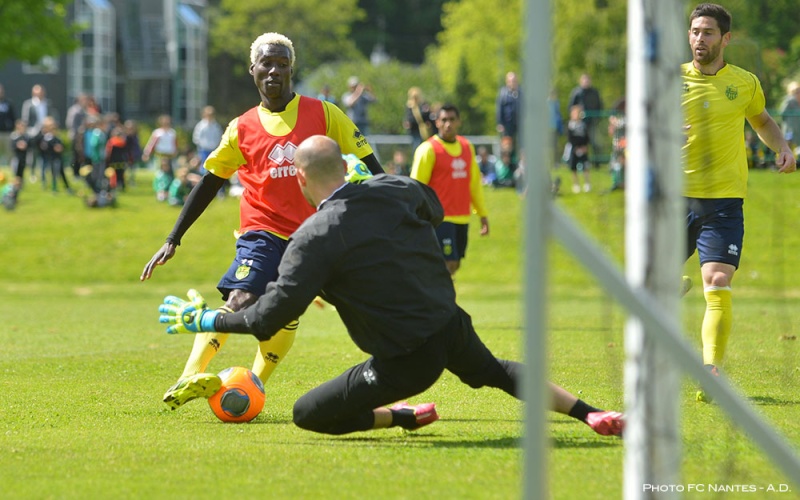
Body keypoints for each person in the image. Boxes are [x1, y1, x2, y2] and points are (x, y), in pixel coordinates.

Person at [157, 135, 625, 437]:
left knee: (308, 414)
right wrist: (378, 179)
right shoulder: (396, 188)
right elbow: (435, 208)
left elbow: (267, 317)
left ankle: (399, 415)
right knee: (497, 372)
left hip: (406, 362)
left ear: (301, 178)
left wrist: (204, 318)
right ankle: (591, 414)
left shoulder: (312, 236)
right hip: (449, 324)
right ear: (345, 164)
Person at [139, 32, 385, 411]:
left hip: (314, 234)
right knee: (241, 298)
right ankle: (189, 375)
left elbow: (369, 164)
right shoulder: (241, 127)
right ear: (252, 70)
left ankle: (253, 384)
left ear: (292, 70)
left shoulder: (325, 114)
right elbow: (210, 181)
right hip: (262, 231)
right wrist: (174, 238)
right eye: (266, 63)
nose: (274, 71)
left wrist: (393, 206)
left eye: (282, 64)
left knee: (287, 313)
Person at [682, 3, 796, 402]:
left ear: (725, 39)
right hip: (674, 200)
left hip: (725, 202)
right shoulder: (668, 81)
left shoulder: (744, 83)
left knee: (717, 281)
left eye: (708, 32)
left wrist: (782, 147)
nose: (700, 39)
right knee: (646, 283)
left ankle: (710, 369)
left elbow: (761, 120)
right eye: (695, 31)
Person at [410, 104, 489, 276]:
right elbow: (415, 187)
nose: (448, 124)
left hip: (462, 217)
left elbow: (474, 183)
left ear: (459, 122)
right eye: (444, 120)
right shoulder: (428, 149)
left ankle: (436, 299)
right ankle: (442, 302)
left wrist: (482, 213)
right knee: (447, 263)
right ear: (437, 122)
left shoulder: (467, 147)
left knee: (455, 264)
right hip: (439, 218)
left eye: (452, 120)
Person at [568, 73, 604, 169]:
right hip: (579, 124)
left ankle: (597, 163)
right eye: (584, 80)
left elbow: (599, 106)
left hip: (592, 122)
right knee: (576, 143)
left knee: (595, 142)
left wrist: (597, 117)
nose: (586, 82)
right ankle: (573, 163)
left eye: (587, 80)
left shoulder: (594, 92)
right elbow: (571, 106)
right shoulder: (576, 92)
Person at [37, 117, 71, 193]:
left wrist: (60, 148)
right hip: (52, 158)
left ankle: (67, 187)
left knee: (61, 173)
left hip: (58, 158)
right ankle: (54, 188)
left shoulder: (58, 138)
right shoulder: (47, 138)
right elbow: (44, 147)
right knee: (53, 174)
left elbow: (62, 147)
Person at [495, 72, 522, 164]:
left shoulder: (521, 93)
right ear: (507, 82)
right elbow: (499, 109)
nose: (513, 83)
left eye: (514, 81)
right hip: (507, 124)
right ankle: (507, 165)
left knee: (520, 146)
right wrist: (500, 123)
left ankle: (519, 164)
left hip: (519, 124)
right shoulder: (503, 93)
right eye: (511, 81)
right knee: (507, 147)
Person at [566, 104, 591, 193]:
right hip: (574, 149)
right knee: (573, 168)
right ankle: (576, 185)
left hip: (583, 149)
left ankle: (587, 184)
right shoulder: (570, 125)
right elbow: (570, 138)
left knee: (585, 166)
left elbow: (586, 137)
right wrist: (576, 147)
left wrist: (584, 146)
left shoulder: (583, 125)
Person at [192, 105, 224, 173]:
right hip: (203, 150)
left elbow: (219, 137)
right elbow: (196, 138)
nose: (210, 116)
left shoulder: (216, 126)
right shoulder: (200, 126)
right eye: (208, 114)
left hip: (213, 150)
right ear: (204, 114)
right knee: (203, 167)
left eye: (211, 114)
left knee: (212, 167)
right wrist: (202, 145)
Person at [403, 86, 434, 152]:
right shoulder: (410, 107)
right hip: (415, 131)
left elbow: (428, 116)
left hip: (425, 130)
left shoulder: (424, 105)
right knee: (417, 148)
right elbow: (409, 119)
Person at [779, 81, 800, 154]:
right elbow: (782, 113)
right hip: (790, 130)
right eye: (796, 91)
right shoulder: (789, 101)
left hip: (797, 130)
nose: (798, 93)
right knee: (788, 147)